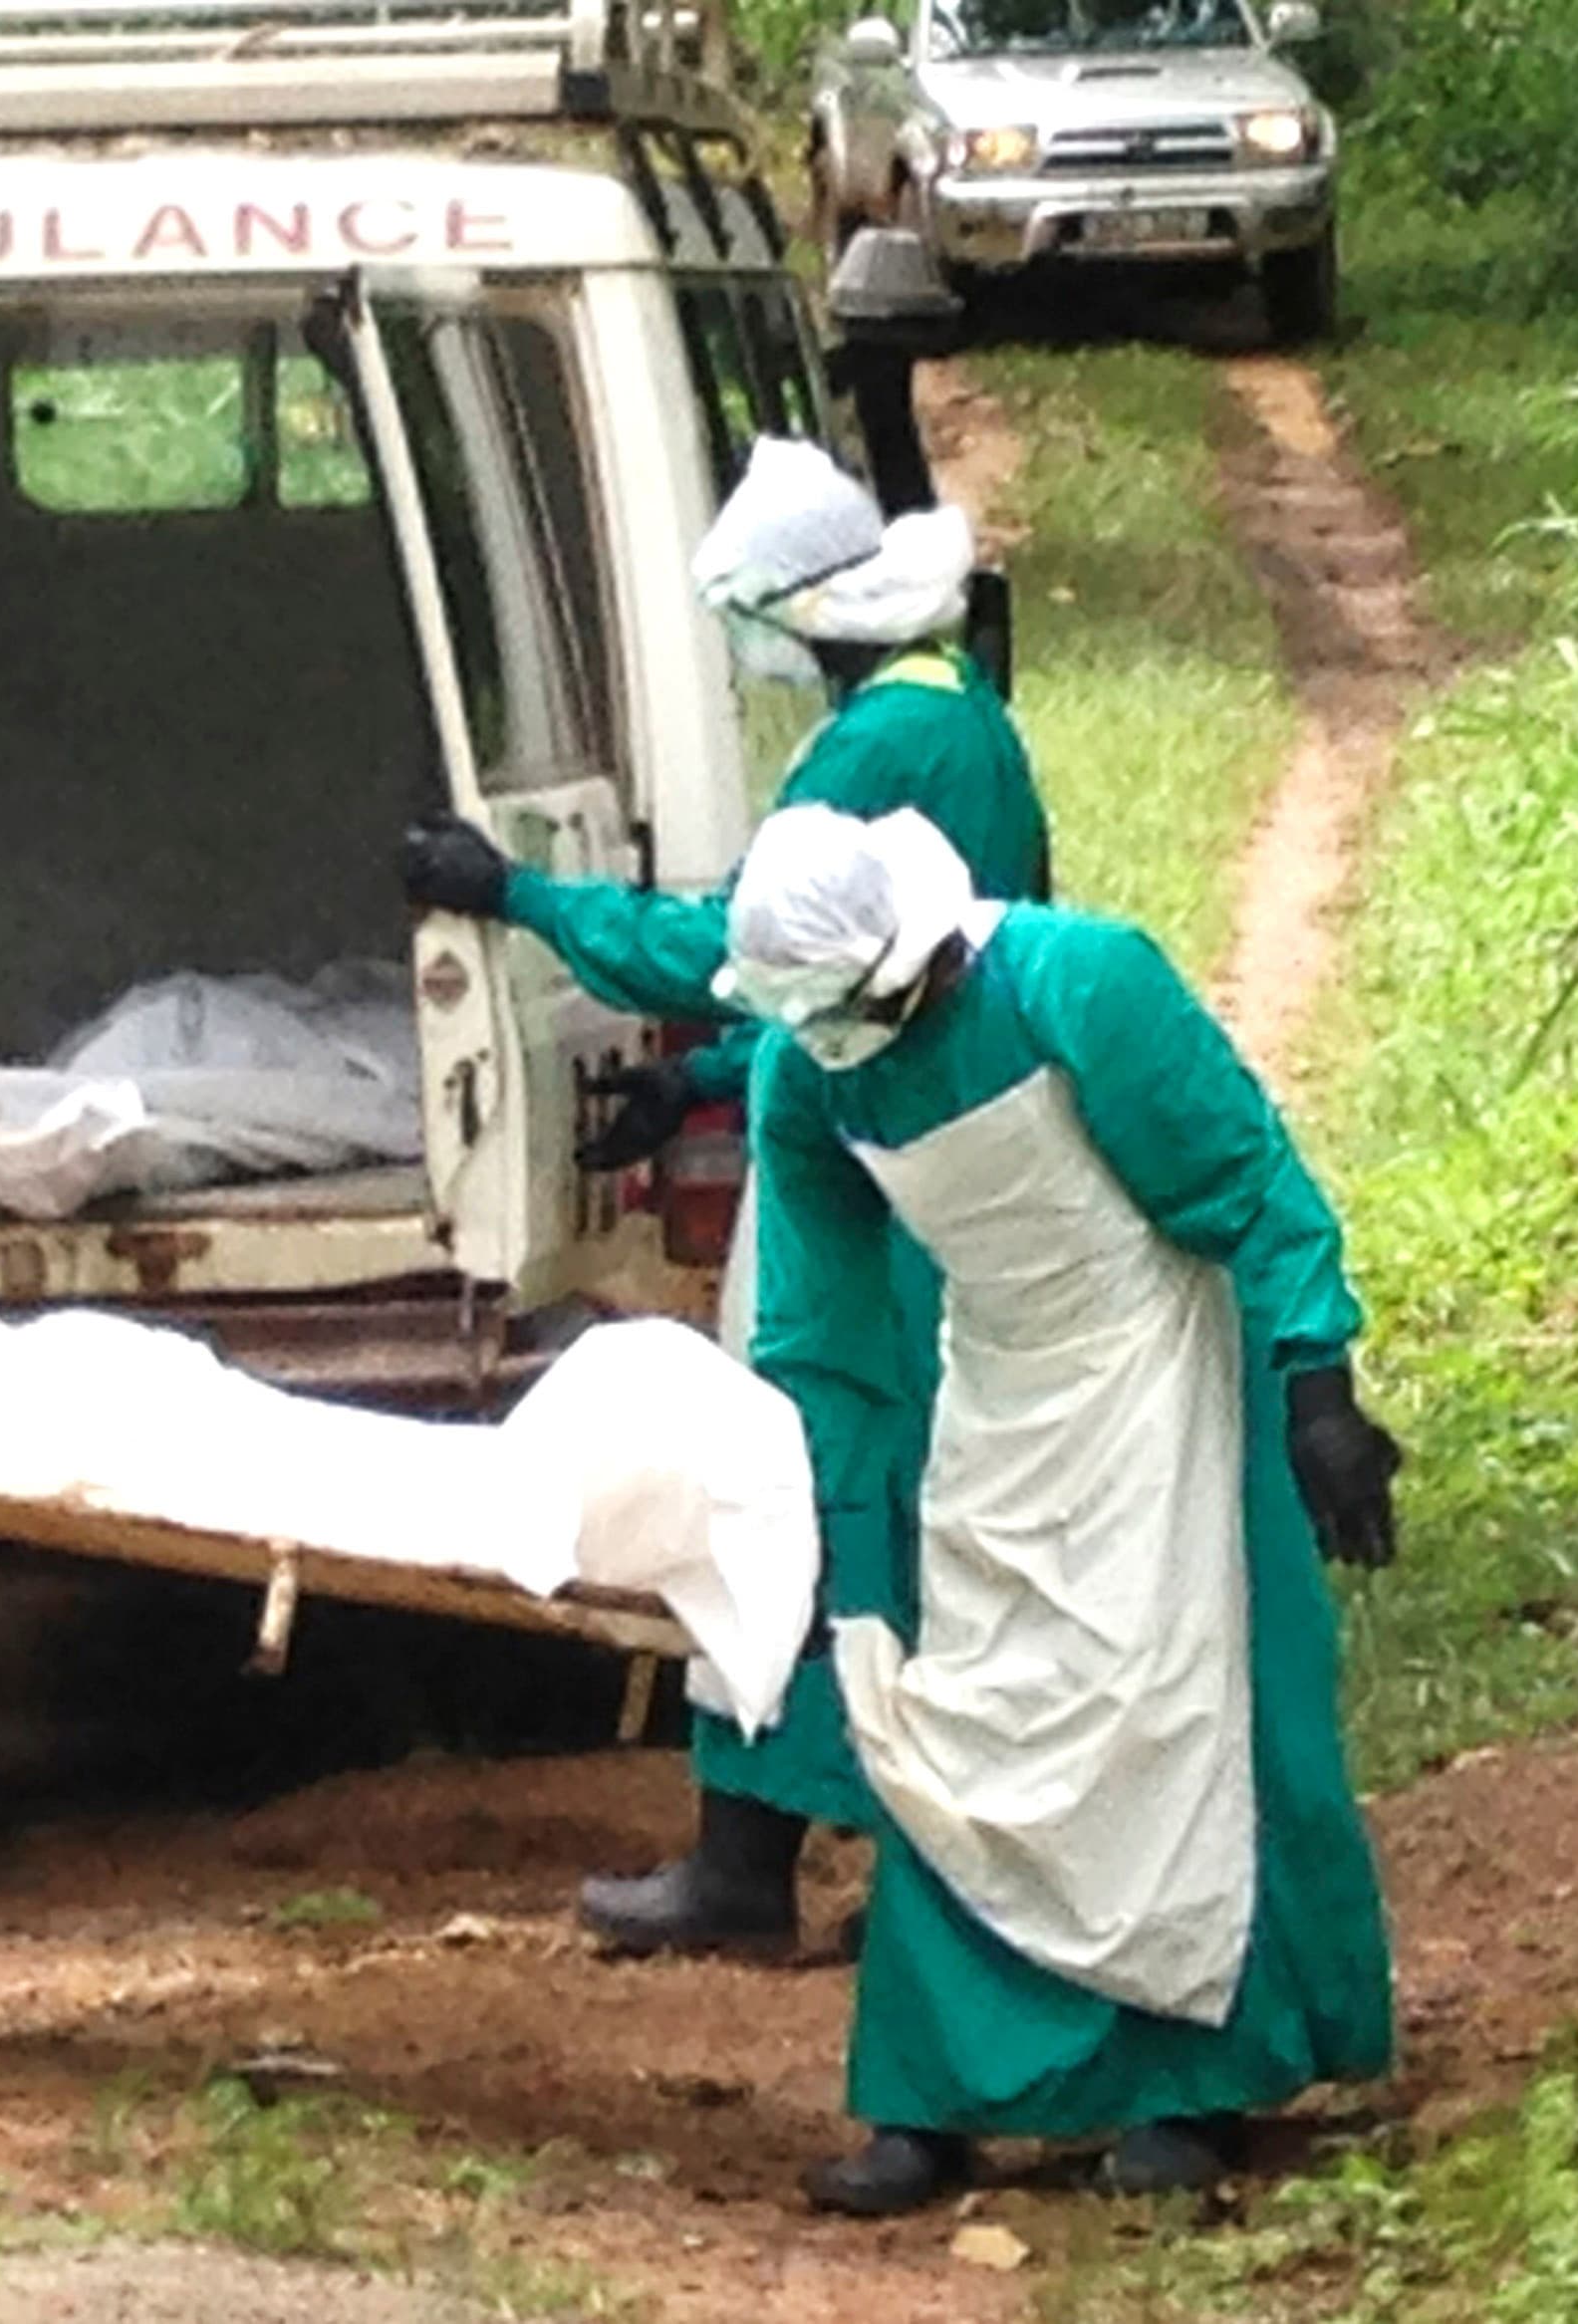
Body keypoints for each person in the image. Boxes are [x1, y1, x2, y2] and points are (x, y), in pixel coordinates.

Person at [398, 438, 1051, 1959]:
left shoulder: (881, 743)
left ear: (806, 607)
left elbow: (739, 945)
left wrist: (522, 896)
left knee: (792, 1491)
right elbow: (858, 967)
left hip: (863, 1182)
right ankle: (801, 1846)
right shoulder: (955, 716)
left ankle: (757, 1860)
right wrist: (697, 1091)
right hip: (899, 1134)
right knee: (864, 1496)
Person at [714, 803, 1402, 2217]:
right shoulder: (806, 1075)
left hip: (1157, 1365)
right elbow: (823, 1321)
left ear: (919, 961)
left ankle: (1190, 2084)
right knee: (967, 1716)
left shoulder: (1080, 982)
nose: (846, 1042)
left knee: (1174, 1721)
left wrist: (1314, 1383)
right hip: (998, 1393)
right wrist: (838, 1542)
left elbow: (1247, 1179)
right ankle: (934, 2097)